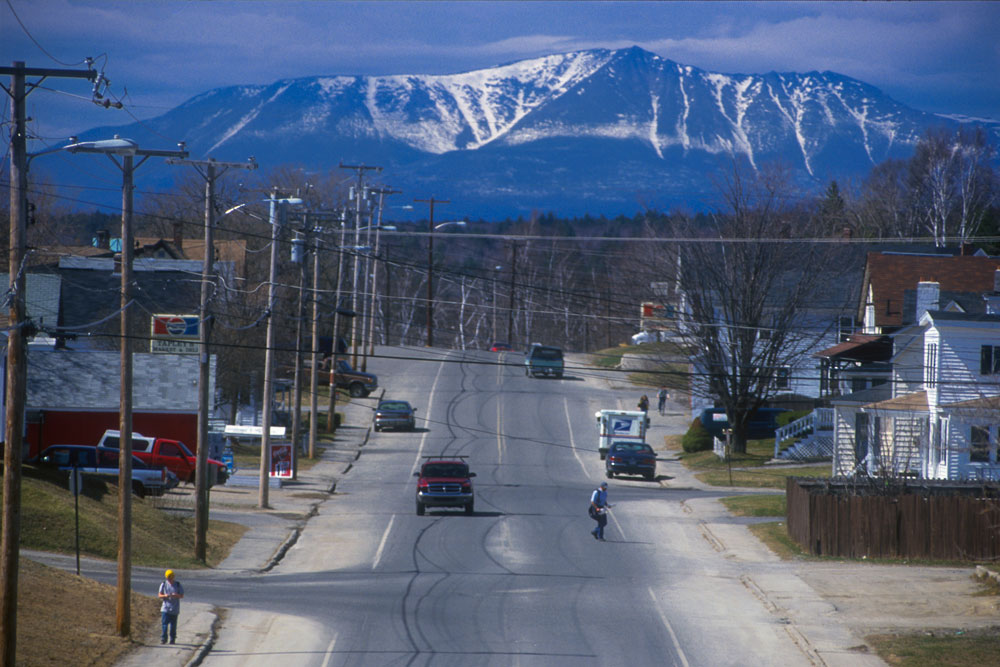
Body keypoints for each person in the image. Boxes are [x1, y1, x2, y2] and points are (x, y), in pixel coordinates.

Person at [158, 569, 184, 645]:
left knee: (173, 626)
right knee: (164, 624)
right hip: (165, 608)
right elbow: (159, 595)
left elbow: (182, 595)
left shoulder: (178, 585)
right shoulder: (163, 584)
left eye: (171, 577)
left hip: (174, 608)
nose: (169, 578)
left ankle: (172, 639)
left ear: (173, 577)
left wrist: (176, 595)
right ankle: (164, 639)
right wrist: (165, 595)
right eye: (168, 577)